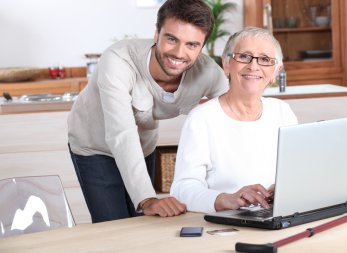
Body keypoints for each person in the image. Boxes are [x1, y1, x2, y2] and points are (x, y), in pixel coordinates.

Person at [67, 0, 229, 223]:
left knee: (142, 222)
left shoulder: (209, 72)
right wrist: (148, 199)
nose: (179, 53)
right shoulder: (119, 60)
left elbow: (233, 118)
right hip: (94, 146)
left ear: (201, 47)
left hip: (141, 145)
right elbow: (121, 133)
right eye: (171, 39)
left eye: (192, 45)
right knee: (113, 225)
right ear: (156, 34)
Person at [170, 27, 298, 213]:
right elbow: (182, 189)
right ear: (227, 64)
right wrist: (224, 199)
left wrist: (286, 188)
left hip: (278, 214)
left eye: (264, 59)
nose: (253, 66)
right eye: (244, 56)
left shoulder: (282, 111)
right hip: (226, 221)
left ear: (275, 71)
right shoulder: (202, 118)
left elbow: (296, 171)